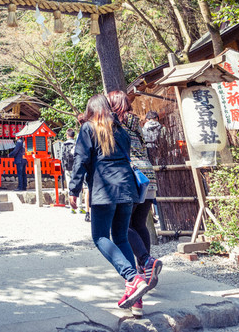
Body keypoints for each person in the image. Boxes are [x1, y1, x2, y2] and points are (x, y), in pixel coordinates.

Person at [69, 93, 154, 310]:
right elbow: (126, 157)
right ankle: (137, 299)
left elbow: (81, 159)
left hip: (104, 189)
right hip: (127, 189)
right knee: (121, 237)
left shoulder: (89, 128)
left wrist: (74, 190)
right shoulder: (121, 130)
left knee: (99, 237)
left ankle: (132, 278)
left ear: (91, 110)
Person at [107, 90, 162, 311]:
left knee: (123, 227)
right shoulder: (136, 121)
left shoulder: (116, 123)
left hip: (132, 175)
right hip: (148, 175)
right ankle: (147, 270)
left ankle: (145, 263)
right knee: (140, 224)